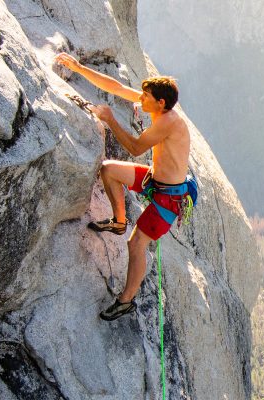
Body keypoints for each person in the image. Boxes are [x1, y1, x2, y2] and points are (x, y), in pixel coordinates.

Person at [55, 52, 190, 321]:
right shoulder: (159, 109)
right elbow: (116, 88)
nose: (140, 99)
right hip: (155, 181)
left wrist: (110, 119)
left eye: (145, 97)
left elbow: (135, 148)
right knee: (108, 170)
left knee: (136, 243)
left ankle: (125, 301)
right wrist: (78, 68)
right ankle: (118, 220)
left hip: (168, 198)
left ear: (160, 102)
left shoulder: (167, 123)